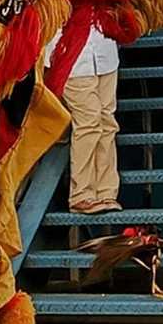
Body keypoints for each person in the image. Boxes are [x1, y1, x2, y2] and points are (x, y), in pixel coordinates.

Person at [62, 22, 122, 217]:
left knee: (107, 121)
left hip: (105, 52)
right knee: (88, 121)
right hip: (71, 56)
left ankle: (106, 191)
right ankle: (81, 194)